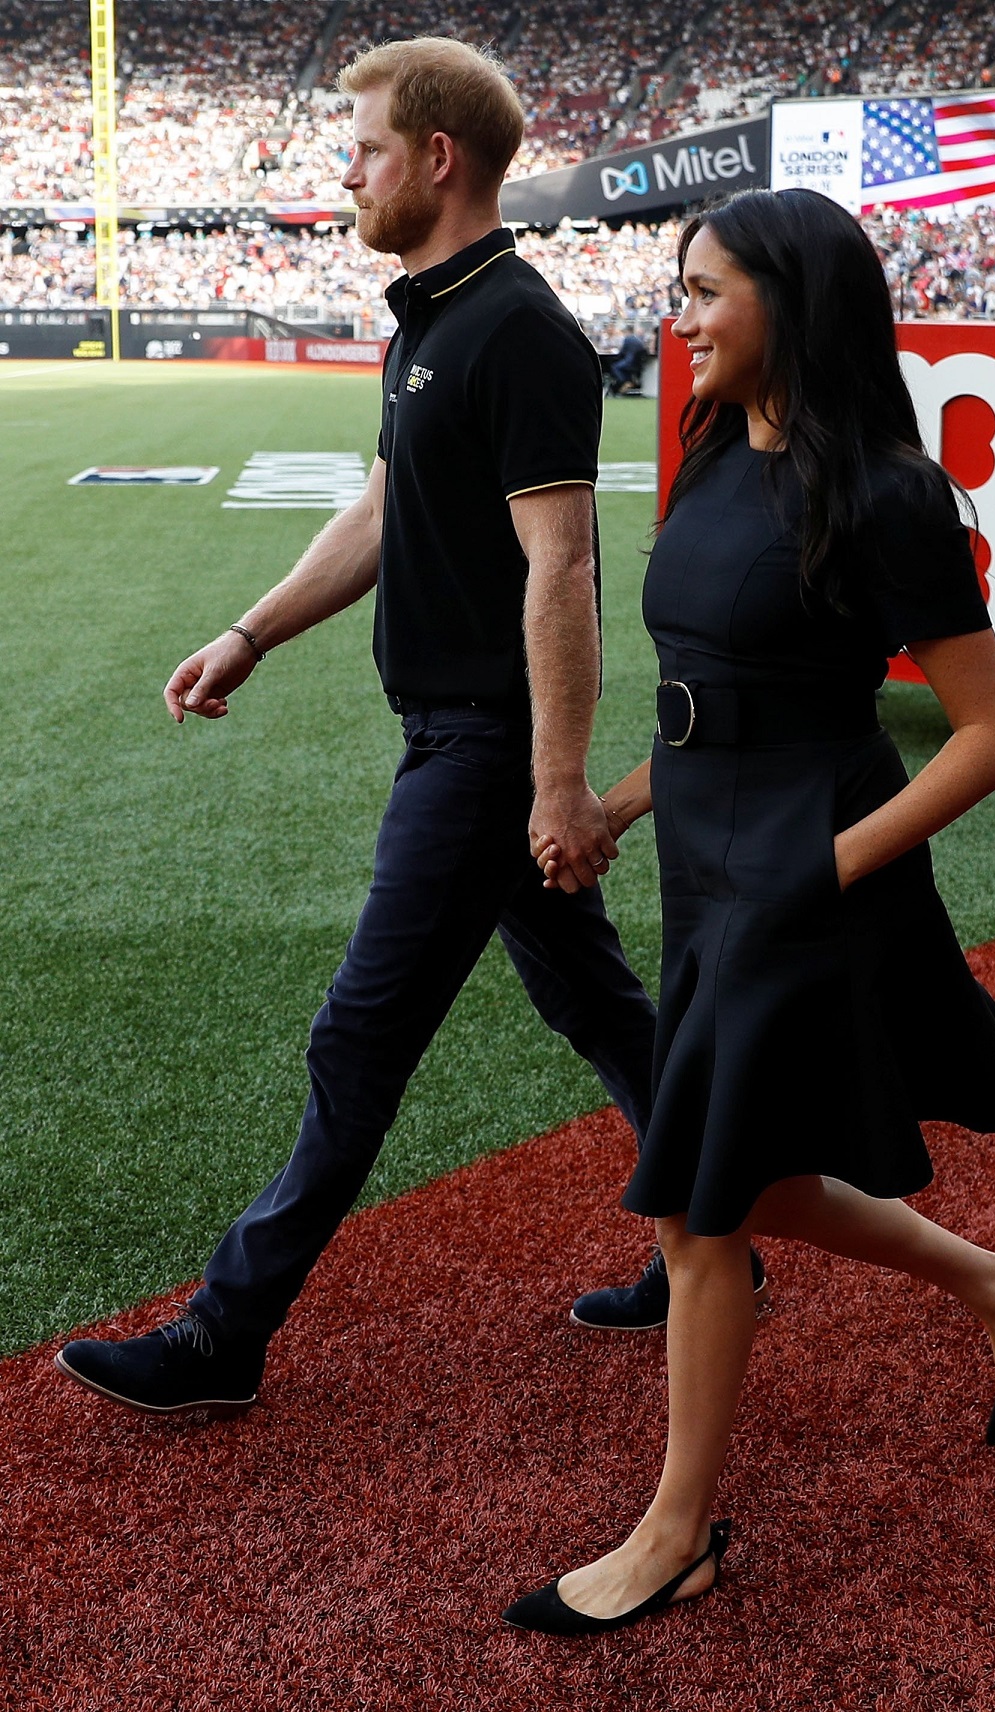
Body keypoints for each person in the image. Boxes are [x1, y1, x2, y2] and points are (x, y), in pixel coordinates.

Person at [52, 37, 761, 1416]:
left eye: (364, 148)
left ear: (437, 159)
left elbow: (564, 568)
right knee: (597, 1002)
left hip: (485, 752)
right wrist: (252, 632)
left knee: (357, 1040)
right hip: (454, 736)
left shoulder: (520, 330)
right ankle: (712, 1244)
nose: (346, 172)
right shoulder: (433, 319)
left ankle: (224, 1332)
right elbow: (382, 509)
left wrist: (558, 786)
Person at [505, 188, 995, 1636]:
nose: (677, 316)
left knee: (702, 1212)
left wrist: (820, 869)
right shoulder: (709, 453)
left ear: (792, 302)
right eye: (677, 289)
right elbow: (717, 692)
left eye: (704, 290)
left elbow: (988, 735)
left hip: (804, 878)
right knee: (739, 1181)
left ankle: (677, 1533)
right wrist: (621, 805)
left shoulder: (886, 491)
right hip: (706, 860)